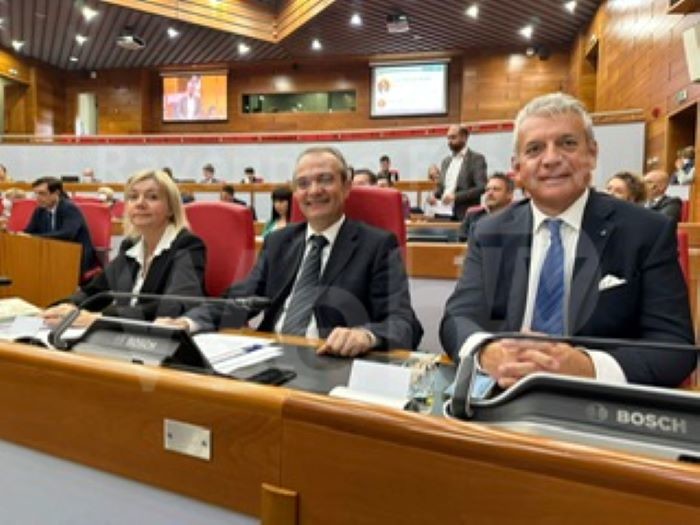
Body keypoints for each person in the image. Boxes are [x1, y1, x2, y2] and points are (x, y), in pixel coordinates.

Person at [440, 92, 694, 389]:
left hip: (600, 400)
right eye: (534, 149)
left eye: (567, 143)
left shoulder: (647, 231)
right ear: (518, 168)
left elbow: (675, 347)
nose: (551, 159)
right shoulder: (489, 232)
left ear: (592, 154)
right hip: (506, 393)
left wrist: (586, 367)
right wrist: (487, 352)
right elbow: (457, 318)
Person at [162, 146, 423, 357]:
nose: (314, 191)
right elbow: (239, 300)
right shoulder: (278, 242)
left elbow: (402, 324)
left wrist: (365, 335)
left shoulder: (377, 245)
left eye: (325, 180)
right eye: (303, 183)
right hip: (269, 356)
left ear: (346, 187)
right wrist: (187, 322)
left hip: (330, 360)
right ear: (296, 193)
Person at [41, 169, 206, 328]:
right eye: (133, 197)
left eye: (152, 197)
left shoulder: (187, 245)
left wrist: (101, 318)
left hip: (157, 337)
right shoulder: (131, 245)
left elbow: (175, 305)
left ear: (171, 208)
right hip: (121, 334)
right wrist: (69, 305)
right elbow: (96, 289)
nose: (140, 203)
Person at [24, 176, 98, 275]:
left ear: (56, 193)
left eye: (42, 193)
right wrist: (17, 235)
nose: (38, 198)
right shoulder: (40, 210)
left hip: (75, 257)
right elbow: (29, 231)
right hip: (51, 254)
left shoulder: (69, 208)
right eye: (36, 194)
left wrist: (33, 237)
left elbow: (67, 234)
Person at [426, 125, 487, 220]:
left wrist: (456, 196)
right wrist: (433, 195)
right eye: (448, 138)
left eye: (453, 137)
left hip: (464, 214)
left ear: (464, 138)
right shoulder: (446, 161)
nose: (449, 141)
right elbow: (441, 188)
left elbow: (481, 187)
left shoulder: (476, 159)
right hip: (442, 212)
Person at [458, 172, 514, 242]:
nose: (490, 193)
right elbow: (461, 242)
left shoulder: (519, 217)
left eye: (496, 189)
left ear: (509, 194)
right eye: (487, 190)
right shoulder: (473, 215)